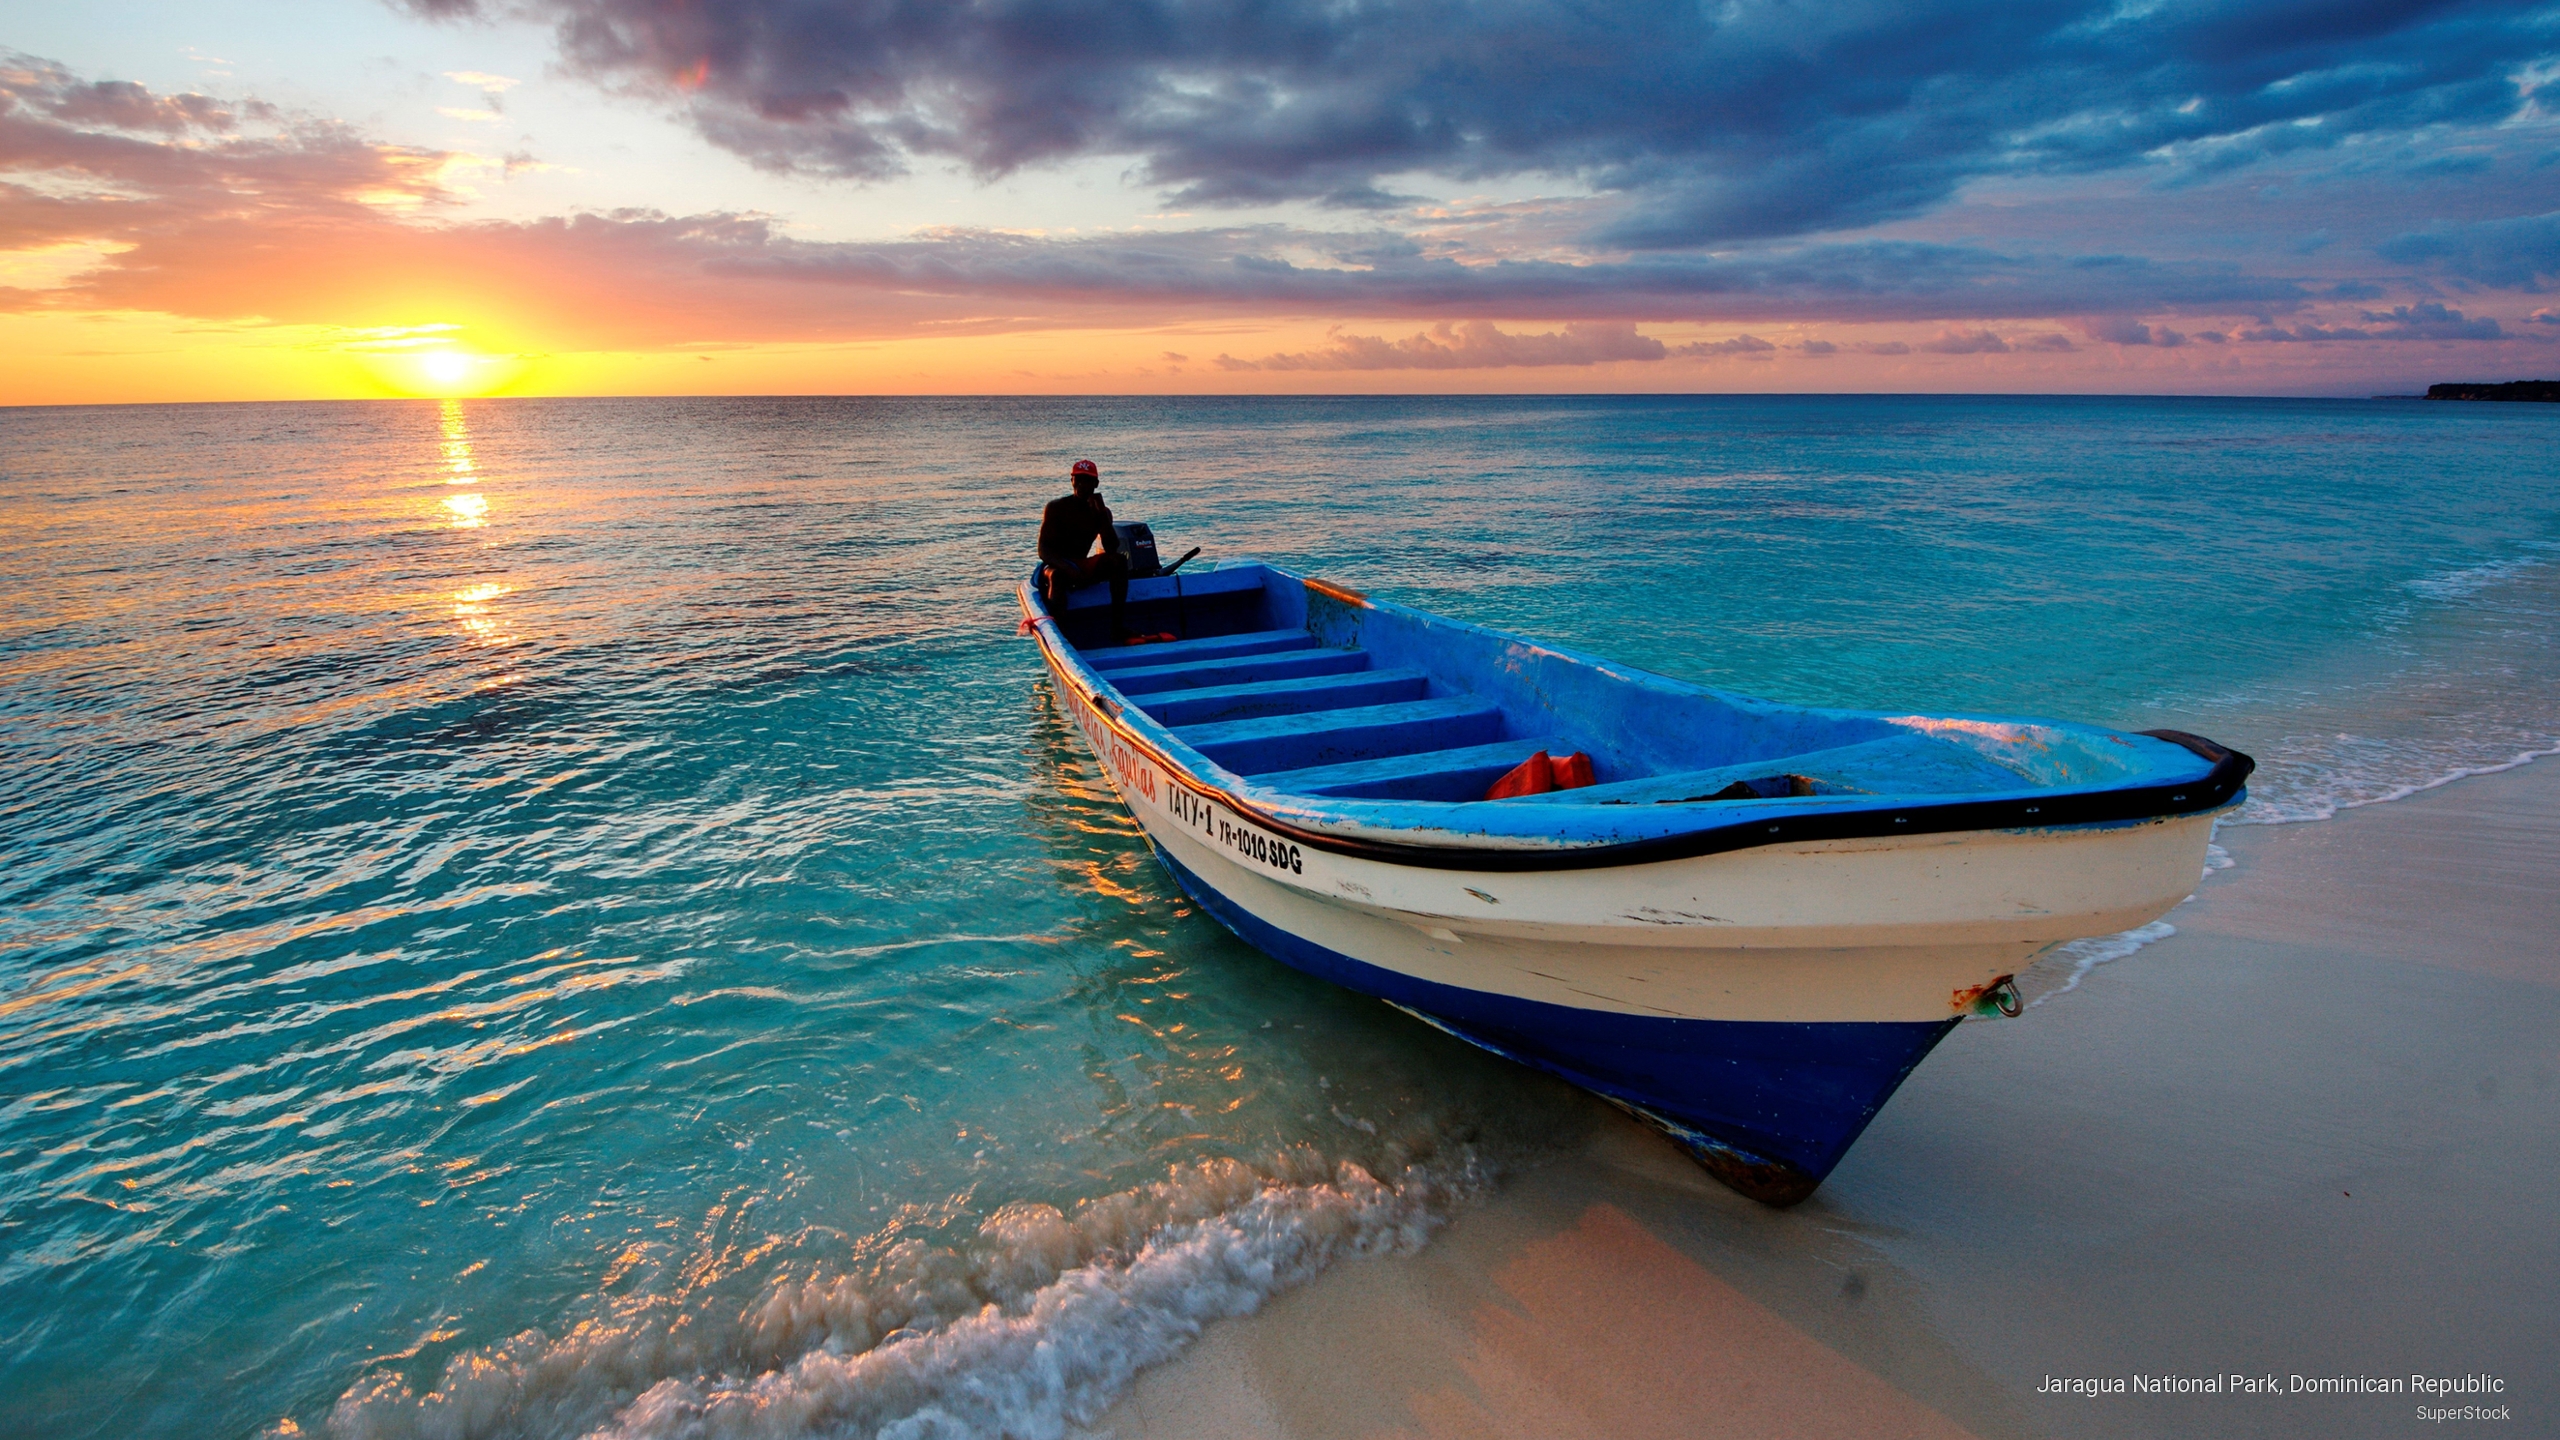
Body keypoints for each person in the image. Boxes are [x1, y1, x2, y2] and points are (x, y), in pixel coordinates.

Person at [1037, 459, 1130, 633]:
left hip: (1082, 563)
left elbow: (1111, 548)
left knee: (1118, 562)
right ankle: (1060, 632)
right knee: (1056, 576)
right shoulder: (1056, 507)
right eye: (1078, 479)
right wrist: (1069, 568)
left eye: (1087, 480)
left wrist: (1101, 514)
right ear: (1072, 480)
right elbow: (1044, 550)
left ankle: (1117, 627)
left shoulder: (1101, 511)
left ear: (1095, 484)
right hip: (1057, 564)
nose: (1081, 484)